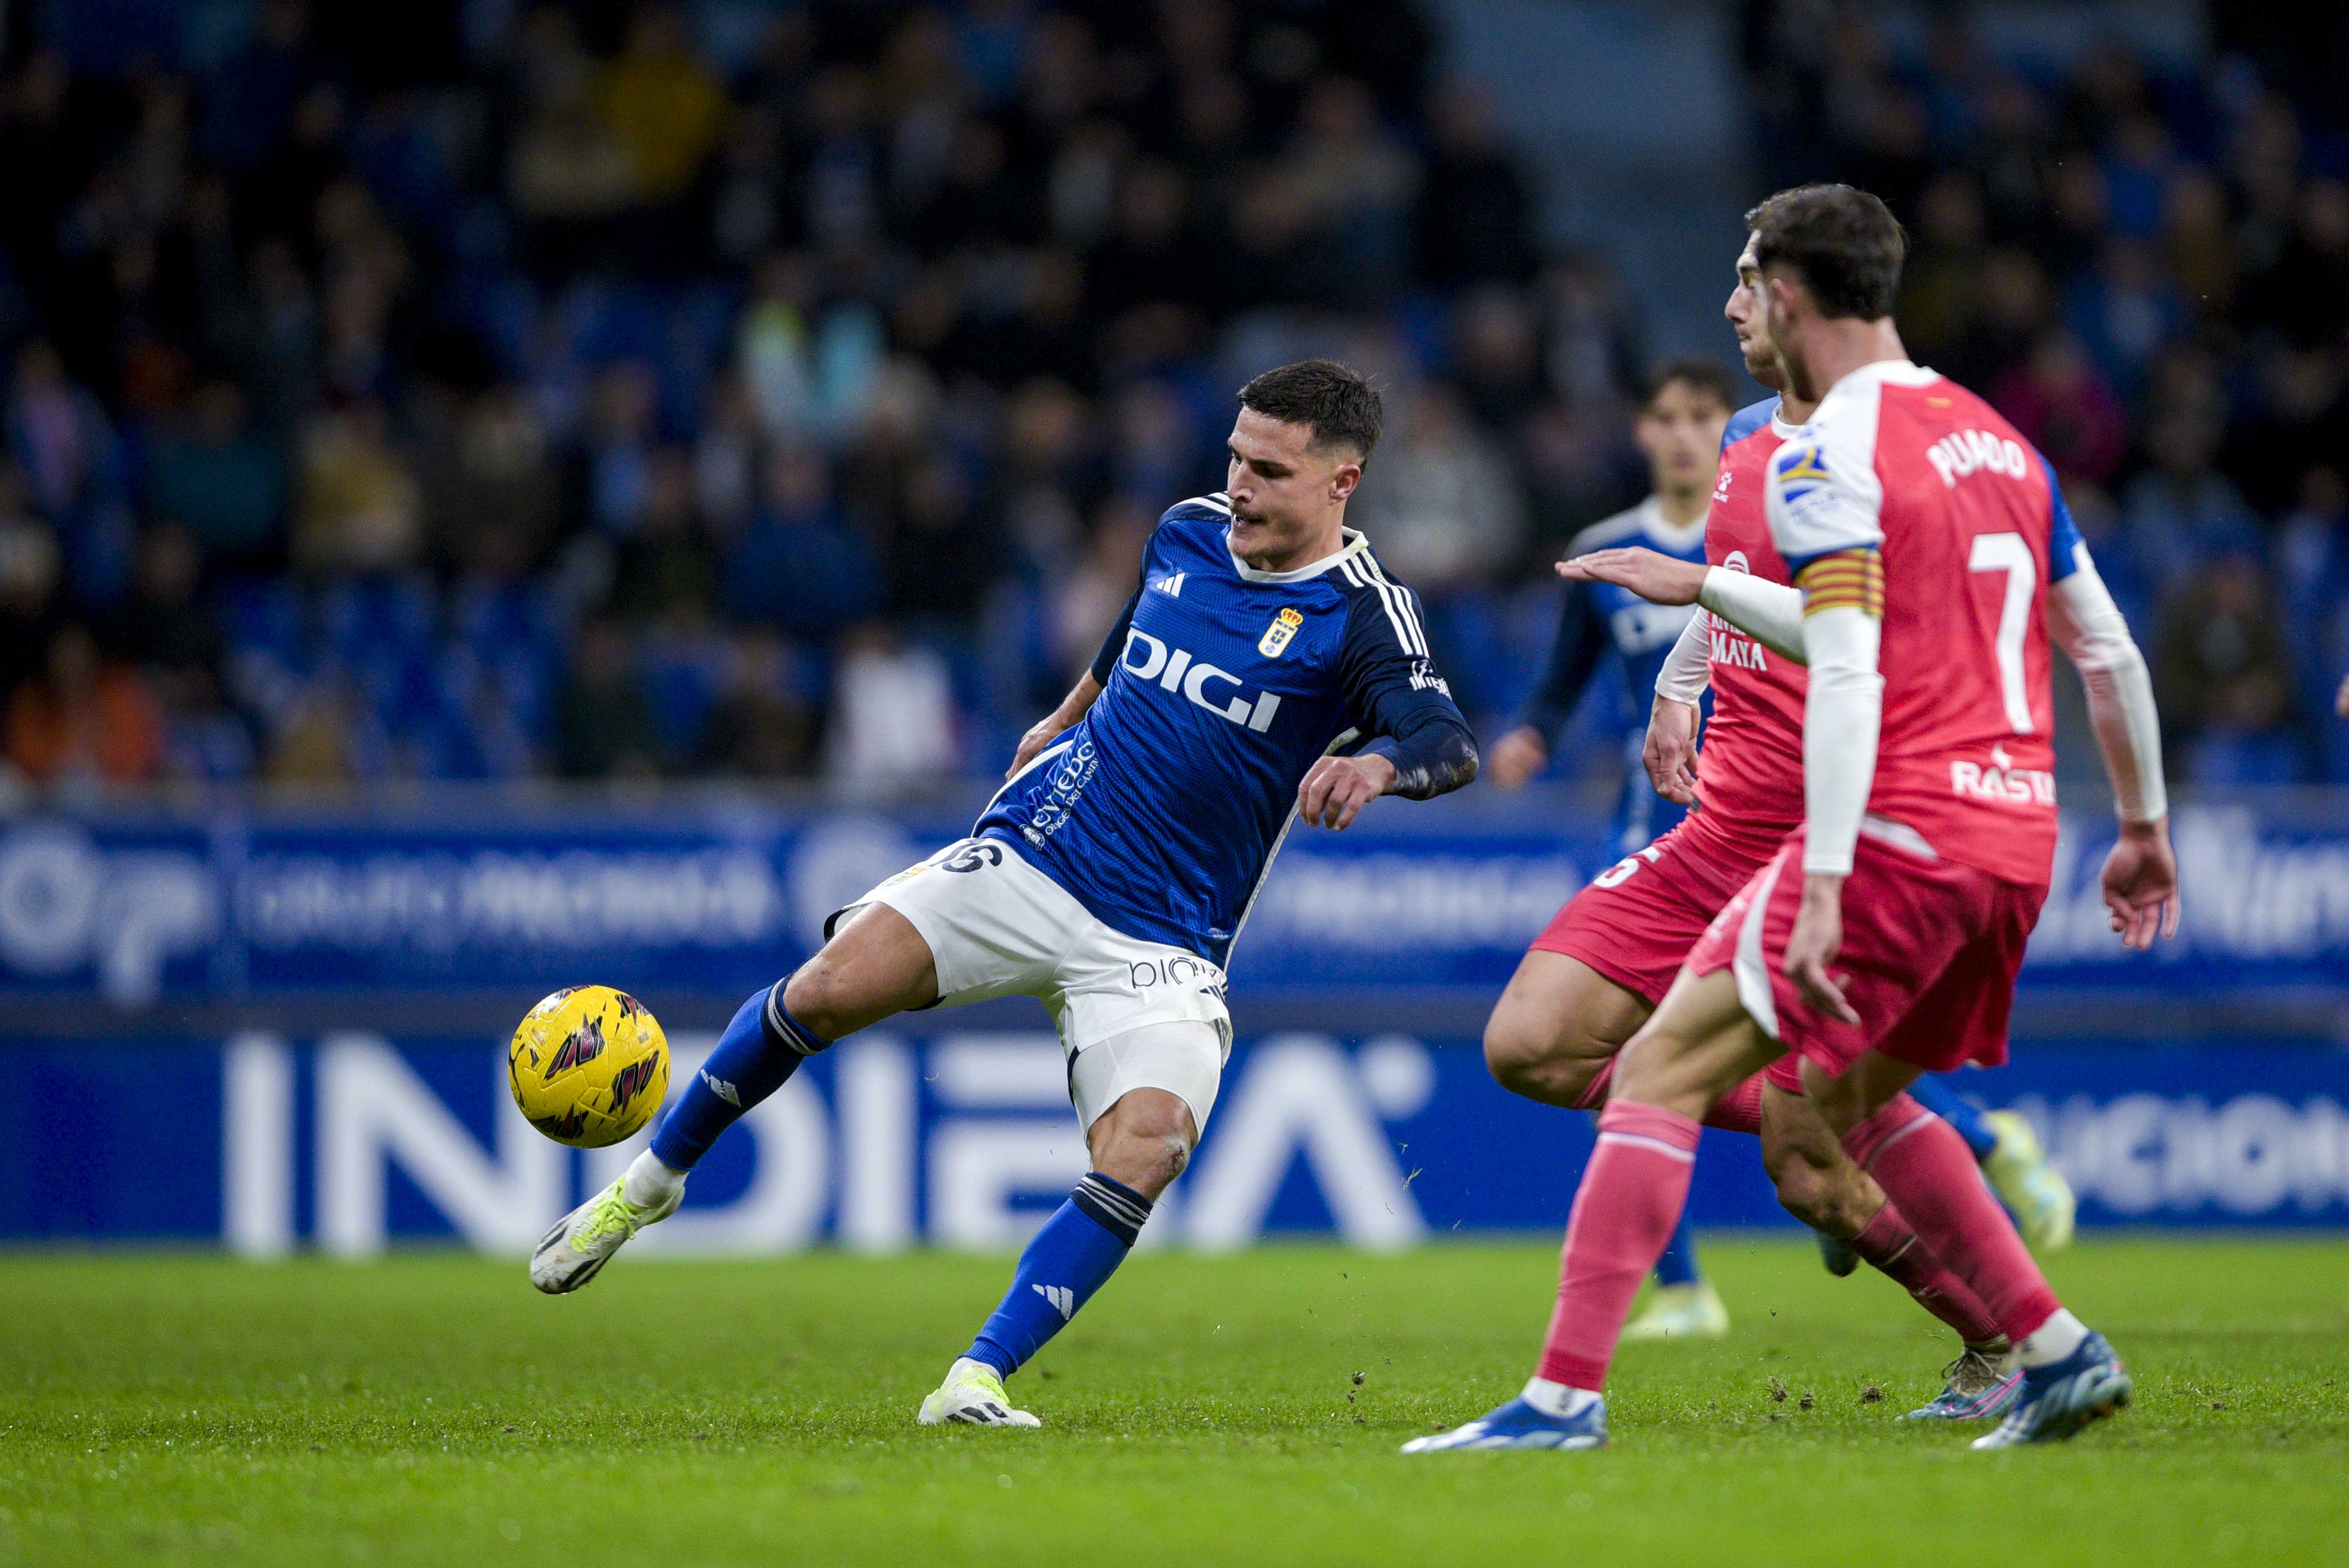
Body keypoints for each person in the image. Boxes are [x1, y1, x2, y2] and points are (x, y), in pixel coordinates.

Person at [529, 360, 1479, 1427]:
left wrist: (1377, 767)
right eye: (1233, 458)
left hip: (1162, 937)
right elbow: (1132, 631)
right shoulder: (1189, 529)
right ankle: (645, 1187)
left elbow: (1445, 739)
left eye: (1269, 469)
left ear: (1342, 480)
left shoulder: (1364, 615)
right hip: (1041, 850)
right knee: (830, 987)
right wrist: (1066, 710)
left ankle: (973, 1378)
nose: (1240, 486)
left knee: (1150, 1145)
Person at [1413, 184, 2176, 1455]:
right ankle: (2051, 1345)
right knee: (1557, 1046)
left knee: (1679, 1081)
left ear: (1789, 293)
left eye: (1744, 281)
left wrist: (1820, 859)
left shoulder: (1833, 454)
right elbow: (2103, 647)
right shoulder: (1990, 440)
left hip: (1873, 823)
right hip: (1983, 831)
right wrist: (2143, 826)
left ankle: (1562, 1402)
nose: (1727, 306)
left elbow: (1848, 648)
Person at [1487, 358, 1737, 1341]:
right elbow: (1563, 677)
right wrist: (1531, 735)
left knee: (1772, 1017)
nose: (1680, 434)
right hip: (1649, 820)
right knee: (1628, 1037)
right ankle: (1681, 1287)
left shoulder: (1757, 531)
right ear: (1640, 431)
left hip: (1755, 814)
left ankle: (1958, 1137)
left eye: (1699, 416)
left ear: (1728, 425)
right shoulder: (1602, 549)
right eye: (1663, 416)